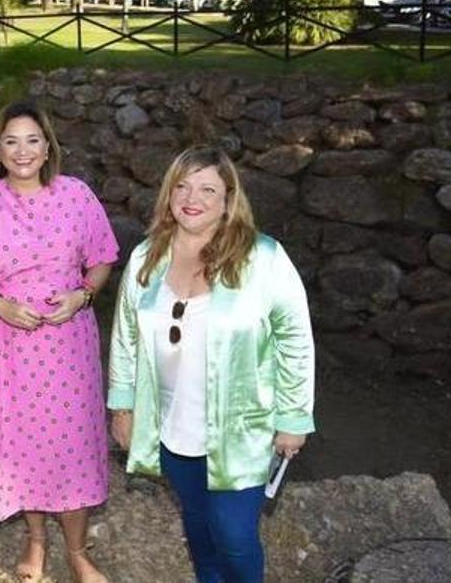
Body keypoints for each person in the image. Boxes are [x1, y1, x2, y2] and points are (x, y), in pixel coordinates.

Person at [108, 144, 315, 583]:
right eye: (181, 186)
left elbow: (295, 338)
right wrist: (123, 406)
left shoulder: (263, 258)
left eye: (207, 188)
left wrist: (294, 417)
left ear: (228, 199)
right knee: (199, 528)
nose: (191, 198)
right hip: (172, 423)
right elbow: (126, 335)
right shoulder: (146, 256)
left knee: (234, 533)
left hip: (243, 428)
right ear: (168, 194)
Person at [0, 101, 118, 583]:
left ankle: (79, 552)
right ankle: (37, 540)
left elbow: (102, 257)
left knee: (74, 443)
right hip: (3, 344)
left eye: (32, 140)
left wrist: (83, 295)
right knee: (23, 445)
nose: (22, 150)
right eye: (11, 141)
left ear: (47, 148)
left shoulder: (77, 196)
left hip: (67, 347)